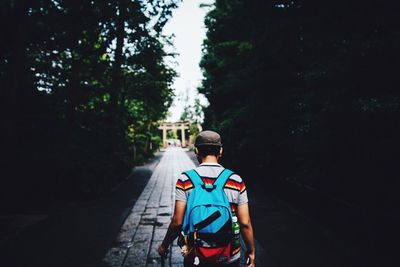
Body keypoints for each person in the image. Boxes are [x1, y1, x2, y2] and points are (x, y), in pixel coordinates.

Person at [158, 130, 256, 266]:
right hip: (228, 254)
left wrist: (164, 245)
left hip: (195, 254)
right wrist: (251, 253)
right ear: (220, 151)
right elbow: (245, 222)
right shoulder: (235, 180)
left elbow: (177, 222)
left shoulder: (185, 179)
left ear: (196, 151)